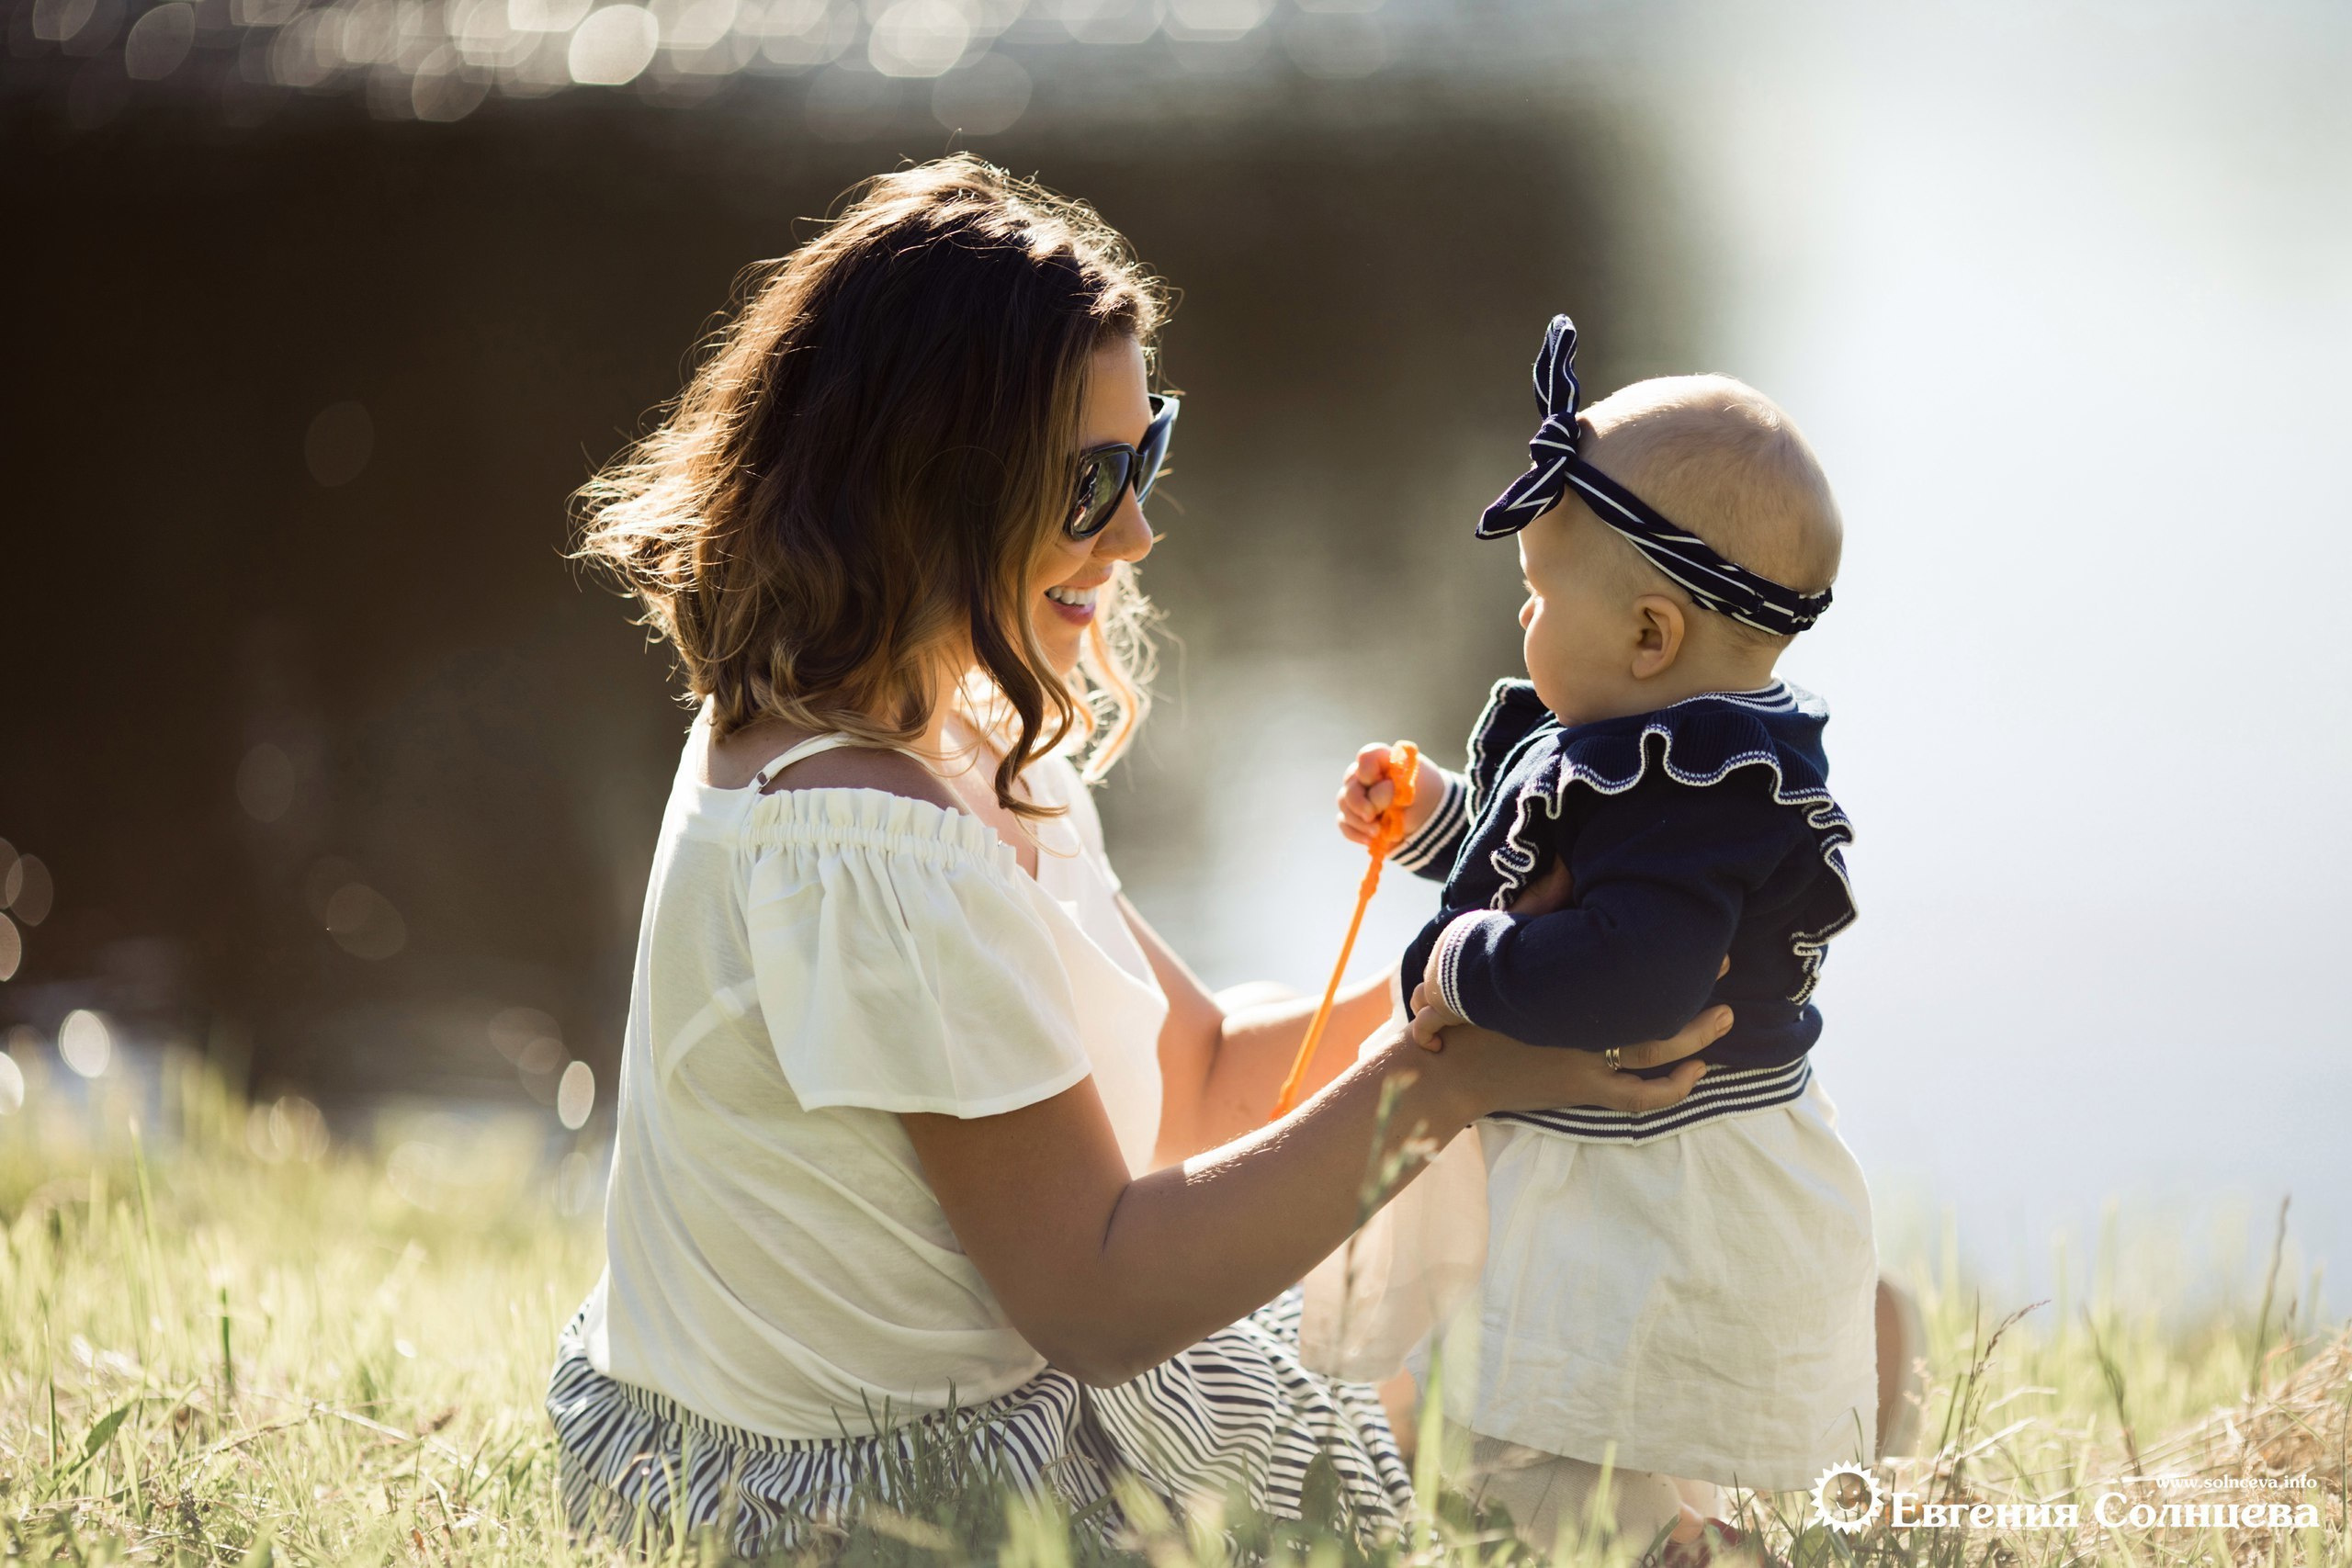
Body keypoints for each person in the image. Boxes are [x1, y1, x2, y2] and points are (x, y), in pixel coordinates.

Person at [544, 163, 1726, 1559]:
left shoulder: (954, 732)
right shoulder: (860, 842)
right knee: (1525, 1429)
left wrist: (1490, 976)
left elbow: (1201, 1071)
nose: (1139, 530)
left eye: (1143, 453)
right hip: (835, 1495)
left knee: (1548, 1364)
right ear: (928, 480)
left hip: (975, 1398)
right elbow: (1097, 1301)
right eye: (1091, 482)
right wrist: (1461, 1074)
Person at [1332, 316, 1881, 1555]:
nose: (1521, 624)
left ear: (1649, 635)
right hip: (1636, 1167)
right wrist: (1440, 826)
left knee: (1530, 1452)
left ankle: (1668, 1550)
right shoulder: (1678, 761)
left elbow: (1634, 972)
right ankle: (1688, 1538)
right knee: (1577, 1435)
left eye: (1536, 595)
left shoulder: (1692, 789)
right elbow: (1573, 888)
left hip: (1650, 1185)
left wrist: (1456, 968)